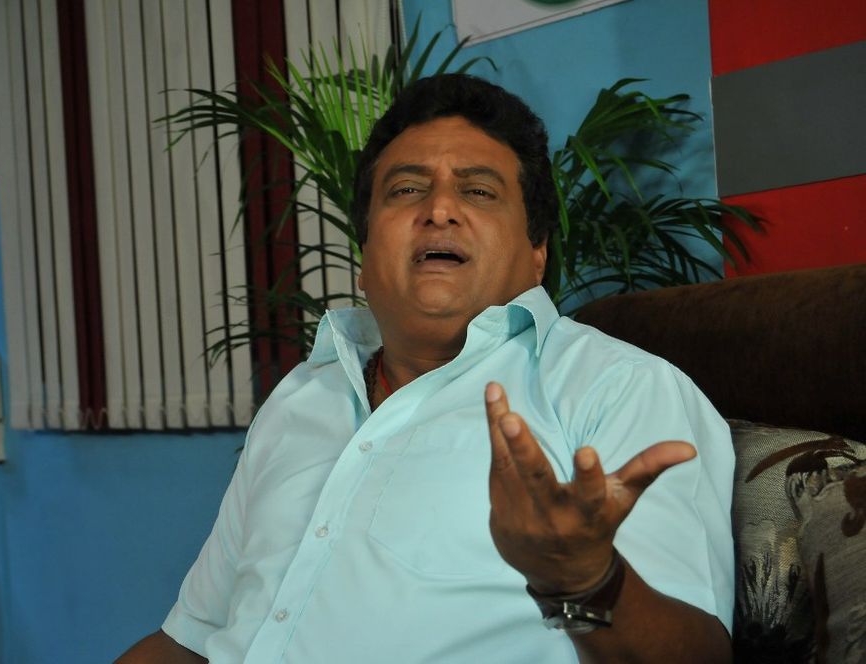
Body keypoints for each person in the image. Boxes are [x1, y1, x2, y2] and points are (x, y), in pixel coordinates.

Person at [119, 74, 734, 663]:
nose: (439, 209)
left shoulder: (617, 388)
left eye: (479, 191)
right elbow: (189, 642)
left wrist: (584, 581)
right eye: (407, 189)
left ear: (537, 252)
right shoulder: (301, 396)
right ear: (364, 256)